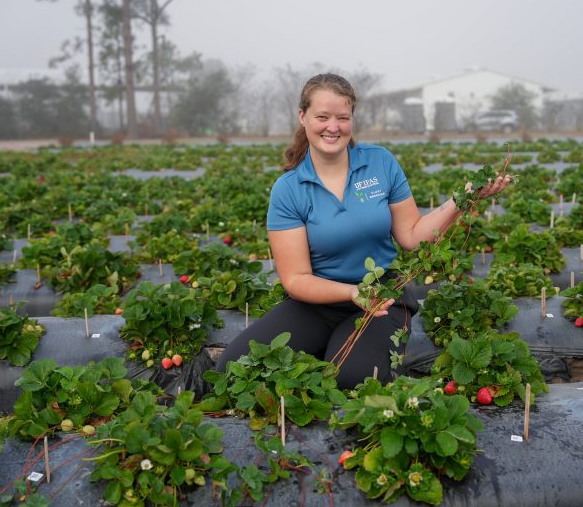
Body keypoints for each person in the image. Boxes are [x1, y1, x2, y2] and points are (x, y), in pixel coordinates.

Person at [215, 73, 510, 389]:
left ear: (352, 119)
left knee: (352, 379)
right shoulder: (289, 189)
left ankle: (342, 350)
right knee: (231, 368)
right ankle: (328, 345)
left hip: (381, 298)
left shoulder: (379, 162)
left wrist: (460, 201)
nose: (333, 126)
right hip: (318, 302)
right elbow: (296, 279)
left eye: (343, 117)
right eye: (323, 117)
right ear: (303, 117)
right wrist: (352, 292)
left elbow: (411, 235)